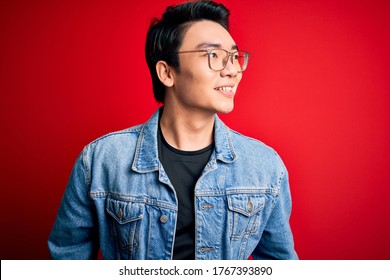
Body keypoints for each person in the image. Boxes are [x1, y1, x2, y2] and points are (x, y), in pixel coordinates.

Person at [48, 0, 298, 260]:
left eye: (234, 57)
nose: (233, 70)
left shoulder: (265, 166)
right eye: (213, 56)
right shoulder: (101, 161)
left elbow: (279, 264)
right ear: (167, 73)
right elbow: (68, 257)